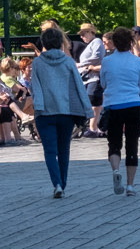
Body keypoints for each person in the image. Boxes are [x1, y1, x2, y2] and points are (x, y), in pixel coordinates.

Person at [25, 30, 91, 197]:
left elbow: (35, 87)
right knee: (64, 149)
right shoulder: (68, 62)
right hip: (66, 111)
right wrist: (87, 109)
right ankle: (63, 181)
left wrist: (39, 105)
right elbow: (79, 85)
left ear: (44, 43)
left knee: (49, 150)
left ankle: (57, 184)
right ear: (61, 42)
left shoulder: (38, 63)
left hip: (45, 111)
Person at [98, 29, 140, 196]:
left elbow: (103, 83)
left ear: (114, 42)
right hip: (133, 103)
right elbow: (139, 84)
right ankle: (130, 185)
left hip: (113, 104)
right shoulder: (136, 61)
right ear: (130, 42)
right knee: (132, 144)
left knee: (114, 142)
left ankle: (115, 170)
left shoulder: (107, 61)